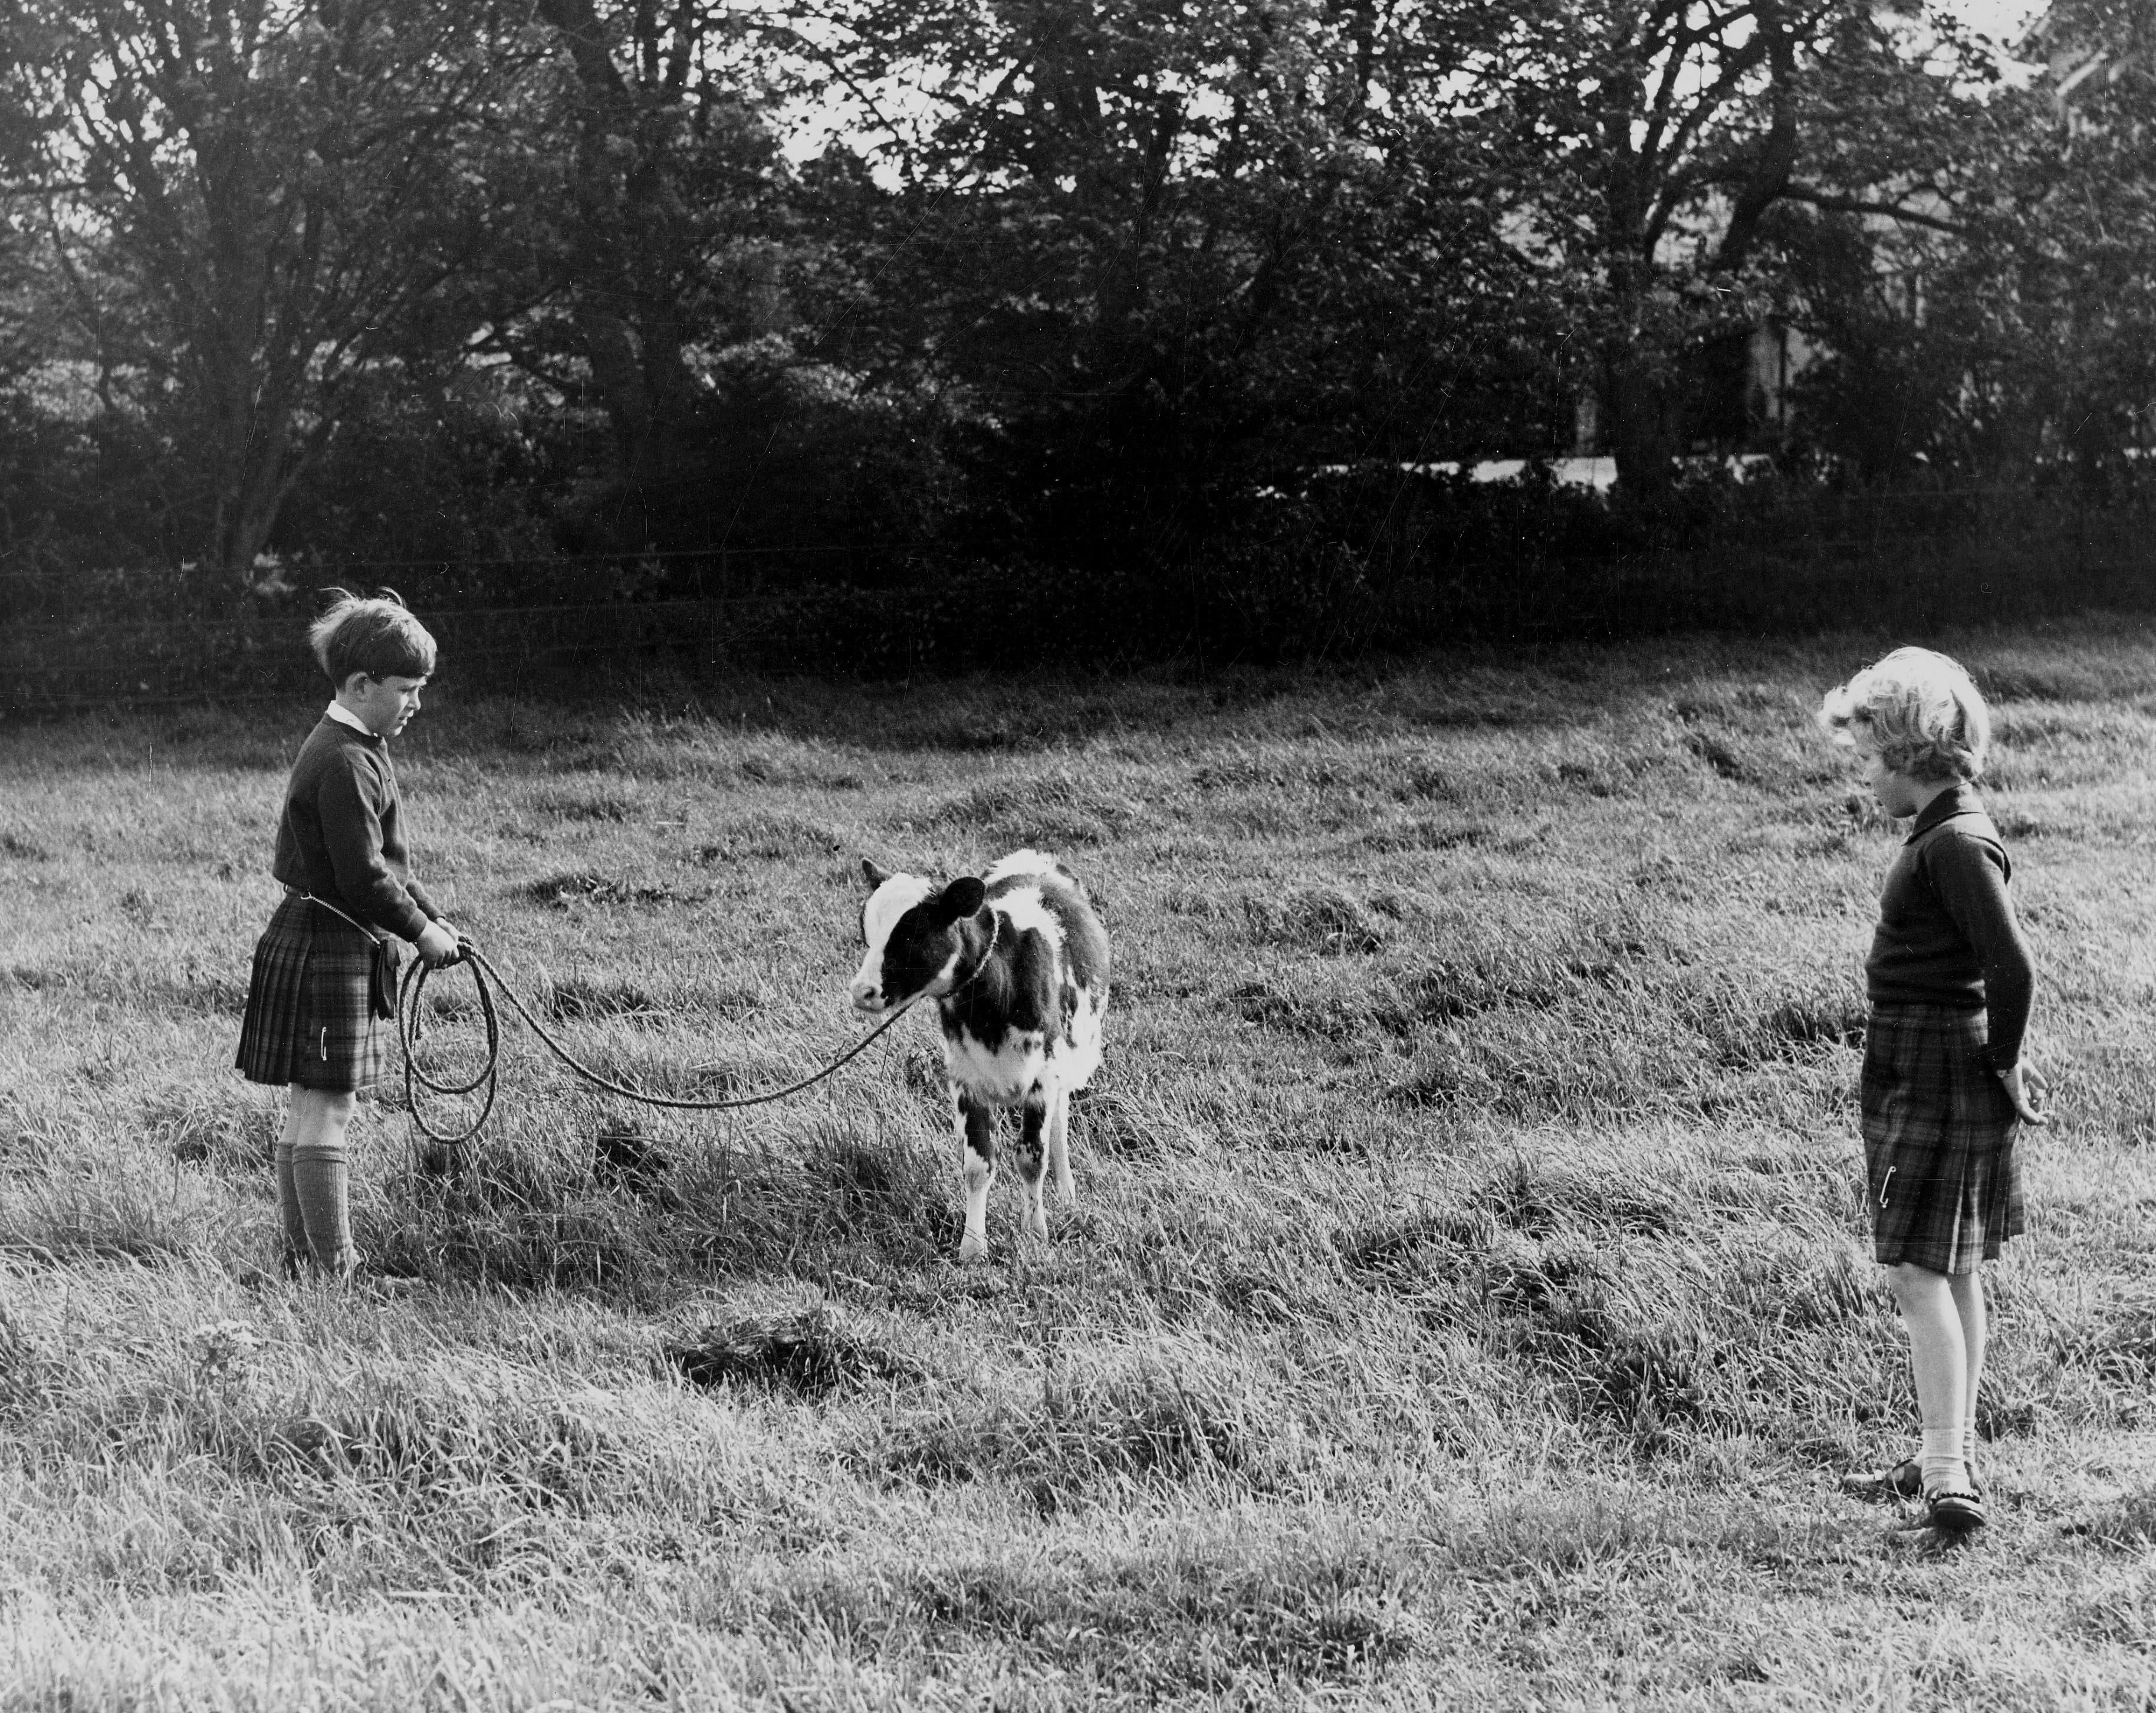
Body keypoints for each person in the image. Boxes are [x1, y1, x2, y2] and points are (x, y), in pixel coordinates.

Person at [1818, 646, 2046, 1534]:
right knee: (1950, 1269)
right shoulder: (1943, 829)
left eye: (1871, 759)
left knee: (1917, 1269)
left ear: (1910, 753)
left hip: (1938, 1063)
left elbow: (2012, 966)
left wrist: (2005, 1059)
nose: (1867, 777)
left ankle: (1949, 1472)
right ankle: (1941, 1453)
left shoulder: (1952, 841)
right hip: (1925, 1057)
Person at [234, 590, 462, 1284]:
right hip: (328, 942)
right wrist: (419, 933)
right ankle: (336, 1275)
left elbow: (388, 866)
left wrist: (432, 919)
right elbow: (362, 876)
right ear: (362, 685)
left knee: (311, 1107)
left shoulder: (356, 746)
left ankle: (306, 1267)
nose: (416, 702)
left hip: (320, 934)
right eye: (406, 688)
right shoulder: (345, 760)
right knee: (327, 1109)